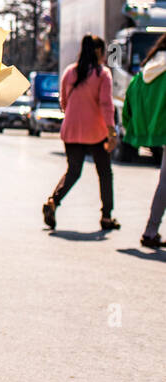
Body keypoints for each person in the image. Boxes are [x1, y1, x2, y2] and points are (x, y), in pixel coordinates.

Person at [43, 34, 118, 231]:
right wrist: (111, 132)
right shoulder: (102, 74)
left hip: (72, 130)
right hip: (96, 132)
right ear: (99, 51)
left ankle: (53, 201)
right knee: (104, 173)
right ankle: (106, 217)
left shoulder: (70, 72)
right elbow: (106, 105)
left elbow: (64, 103)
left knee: (73, 171)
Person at [120, 32, 166, 248]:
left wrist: (132, 127)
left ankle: (150, 231)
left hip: (161, 132)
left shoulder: (145, 73)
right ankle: (150, 231)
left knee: (164, 184)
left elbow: (128, 102)